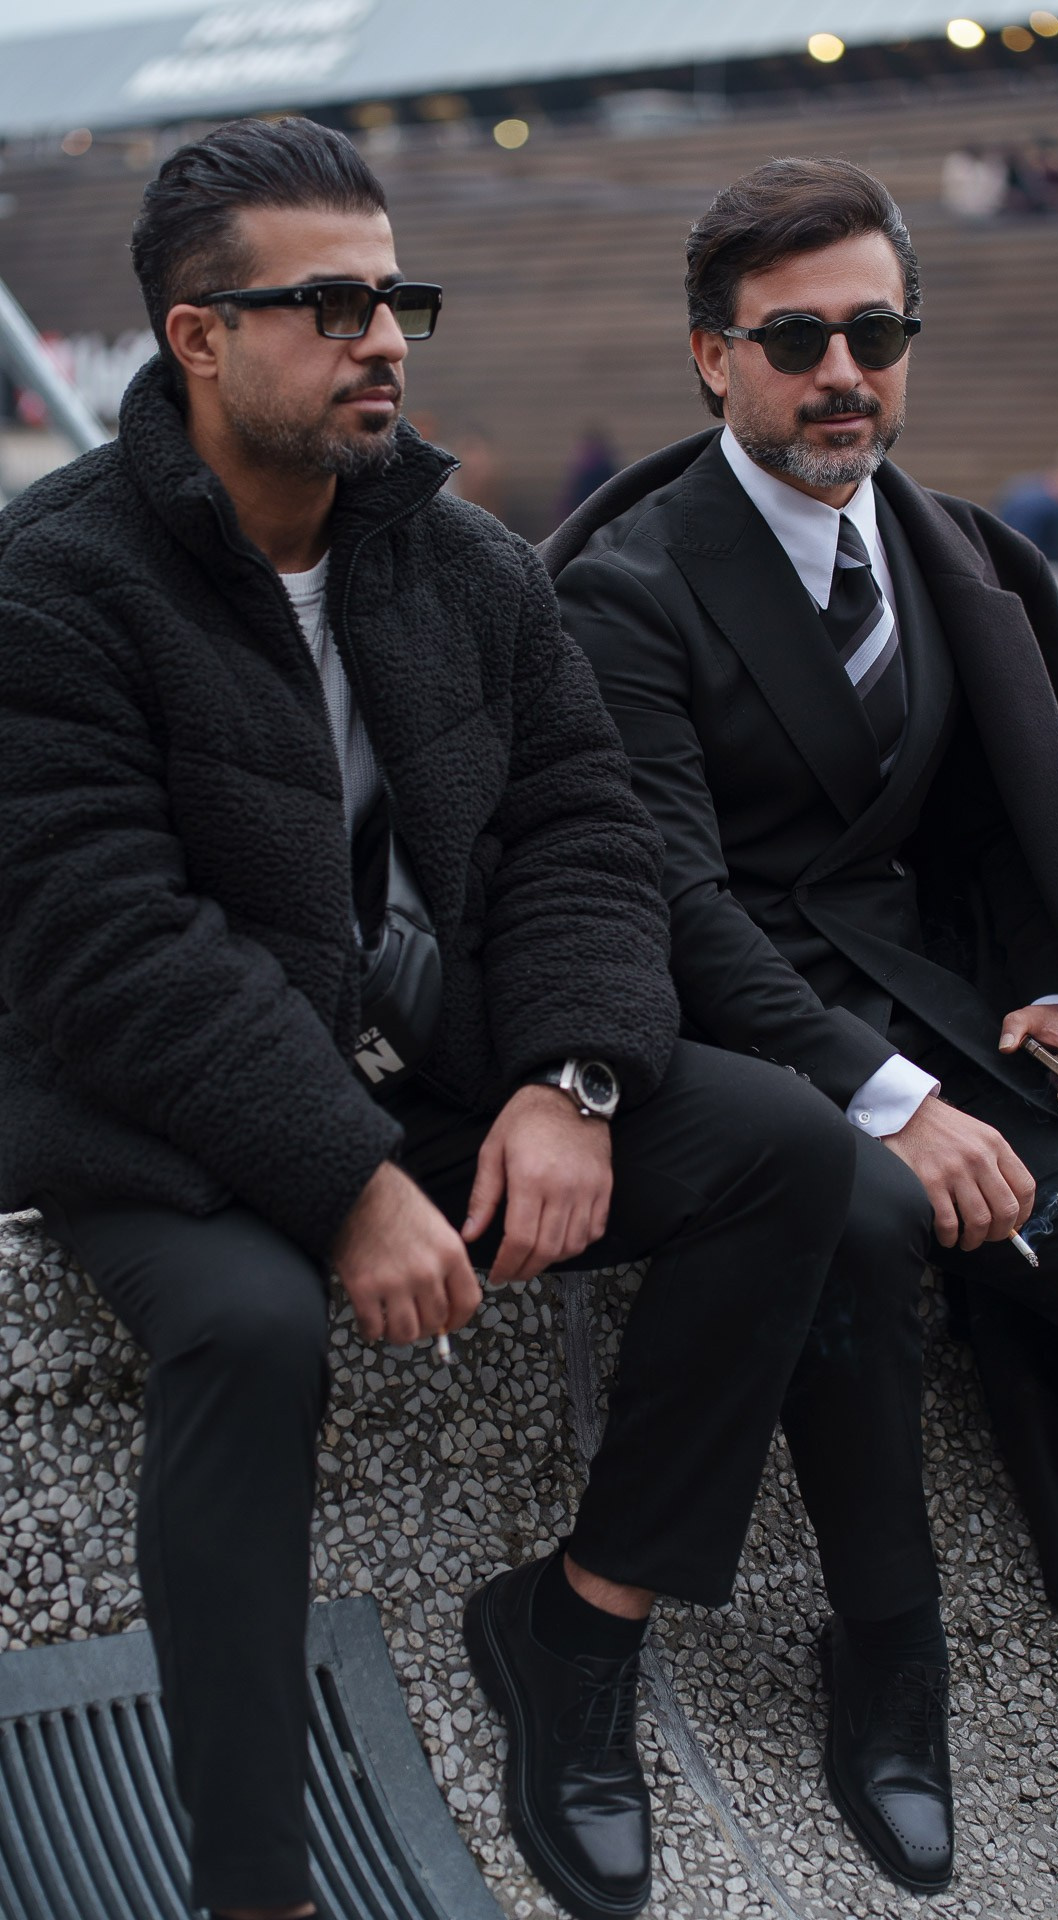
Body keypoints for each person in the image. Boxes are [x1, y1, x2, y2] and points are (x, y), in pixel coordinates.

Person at [0, 120, 870, 1920]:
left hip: (442, 1075)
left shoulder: (464, 565)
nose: (383, 332)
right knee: (249, 1337)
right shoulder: (50, 582)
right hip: (155, 1107)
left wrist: (572, 1079)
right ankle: (257, 1881)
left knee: (783, 1150)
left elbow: (583, 831)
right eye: (327, 303)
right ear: (196, 337)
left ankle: (583, 1625)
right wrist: (341, 1185)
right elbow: (107, 946)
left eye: (396, 293)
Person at [548, 156, 1058, 1919]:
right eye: (794, 339)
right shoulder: (628, 591)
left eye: (875, 331)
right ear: (711, 357)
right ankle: (889, 1664)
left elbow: (992, 838)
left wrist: (1057, 997)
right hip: (750, 1047)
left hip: (945, 1026)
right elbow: (674, 902)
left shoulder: (956, 558)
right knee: (862, 1223)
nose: (842, 373)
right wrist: (887, 1102)